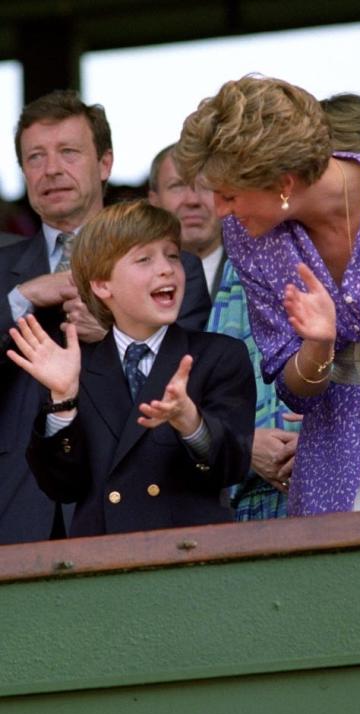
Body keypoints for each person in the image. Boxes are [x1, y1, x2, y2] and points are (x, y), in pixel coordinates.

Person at [175, 75, 360, 517]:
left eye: (229, 194)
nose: (219, 210)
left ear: (284, 182)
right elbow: (298, 395)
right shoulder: (248, 235)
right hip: (334, 457)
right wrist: (319, 345)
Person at [0, 90, 210, 544]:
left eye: (69, 152)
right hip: (15, 507)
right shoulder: (4, 272)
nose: (51, 169)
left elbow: (190, 378)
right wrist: (22, 295)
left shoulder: (172, 267)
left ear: (105, 164)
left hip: (137, 501)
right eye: (35, 157)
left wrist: (119, 334)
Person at [205, 94, 360, 521]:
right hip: (265, 502)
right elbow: (219, 377)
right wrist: (246, 443)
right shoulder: (254, 249)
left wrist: (318, 440)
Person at [7, 200, 254, 536]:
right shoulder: (72, 366)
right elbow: (61, 487)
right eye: (144, 259)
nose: (166, 268)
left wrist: (190, 422)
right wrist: (63, 400)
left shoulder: (219, 355)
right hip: (103, 566)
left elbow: (231, 468)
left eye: (171, 255)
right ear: (101, 284)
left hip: (191, 562)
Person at [148, 143, 226, 297]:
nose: (192, 200)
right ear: (154, 201)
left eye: (206, 186)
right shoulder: (129, 281)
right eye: (177, 186)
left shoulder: (254, 276)